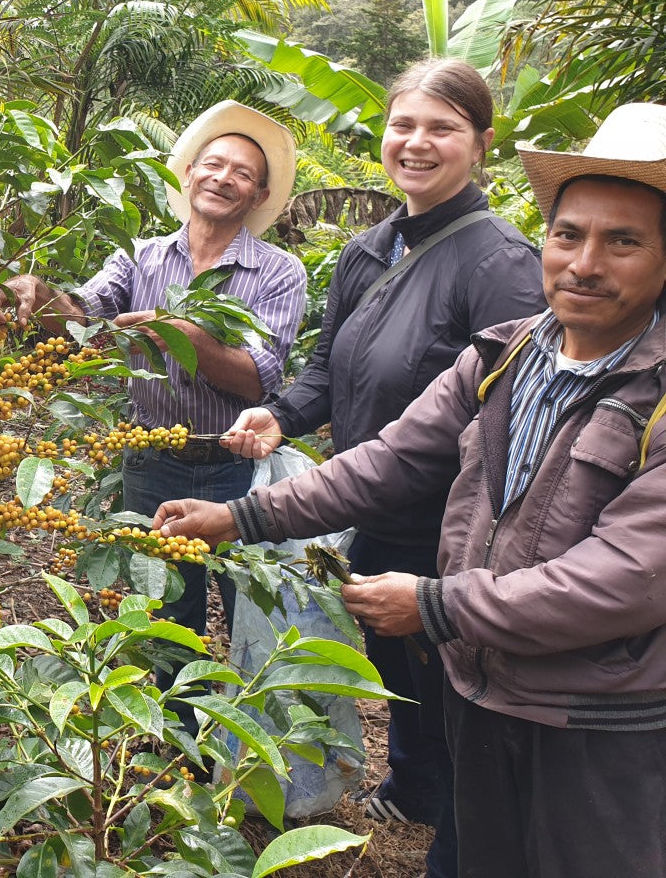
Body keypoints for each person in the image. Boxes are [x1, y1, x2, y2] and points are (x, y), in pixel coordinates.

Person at [156, 101, 666, 878]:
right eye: (569, 235)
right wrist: (239, 515)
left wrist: (435, 603)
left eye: (622, 241)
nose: (584, 263)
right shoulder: (507, 356)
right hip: (482, 686)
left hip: (600, 716)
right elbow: (391, 459)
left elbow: (630, 578)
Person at [217, 59, 543, 877]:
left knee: (450, 679)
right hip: (367, 506)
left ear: (482, 145)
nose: (417, 143)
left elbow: (499, 422)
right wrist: (281, 413)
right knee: (396, 662)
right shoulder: (370, 249)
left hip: (444, 526)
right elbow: (330, 364)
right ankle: (413, 785)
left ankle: (456, 828)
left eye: (442, 128)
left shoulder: (500, 263)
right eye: (405, 125)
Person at [0, 100, 307, 702]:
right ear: (188, 176)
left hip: (238, 468)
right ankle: (176, 752)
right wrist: (32, 291)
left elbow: (257, 379)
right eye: (213, 164)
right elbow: (83, 313)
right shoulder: (142, 256)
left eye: (241, 173)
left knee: (249, 618)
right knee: (165, 619)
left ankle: (242, 761)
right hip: (152, 464)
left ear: (258, 196)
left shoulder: (278, 272)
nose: (222, 177)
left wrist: (183, 335)